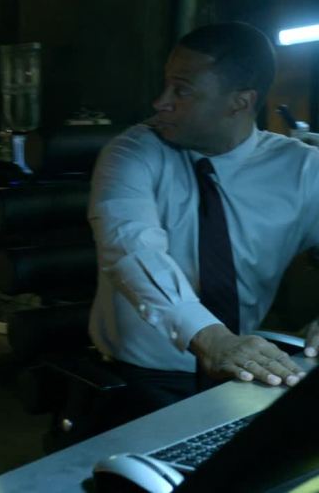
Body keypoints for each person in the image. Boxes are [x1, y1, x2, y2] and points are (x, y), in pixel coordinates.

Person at [88, 22, 319, 425]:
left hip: (240, 371)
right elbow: (130, 251)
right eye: (165, 85)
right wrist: (211, 338)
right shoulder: (131, 152)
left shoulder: (303, 170)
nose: (160, 102)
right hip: (139, 378)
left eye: (181, 90)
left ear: (240, 102)